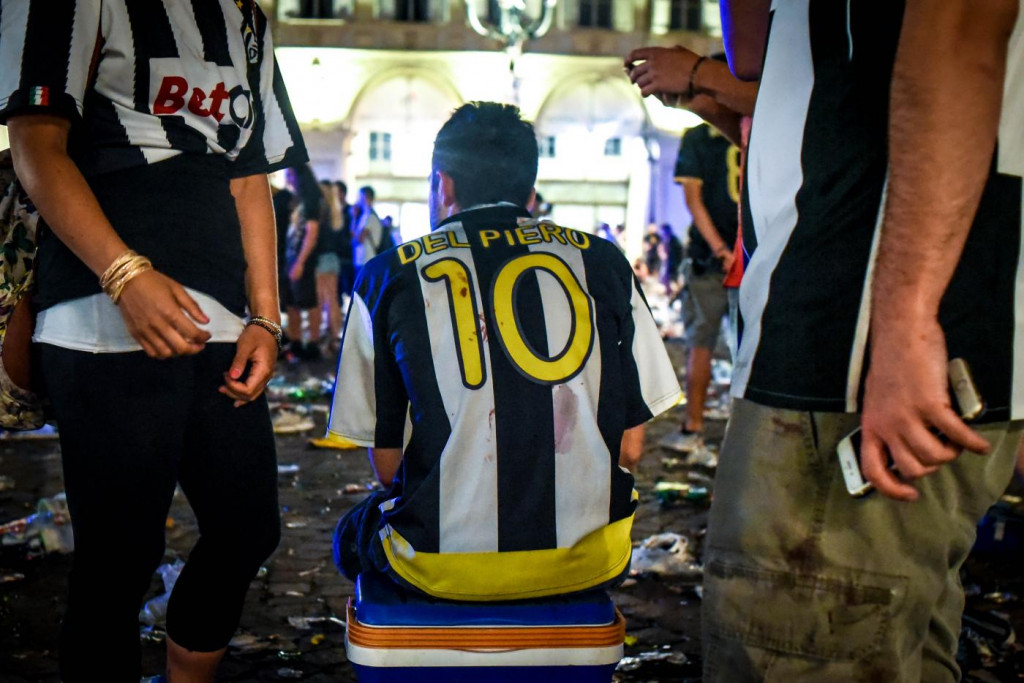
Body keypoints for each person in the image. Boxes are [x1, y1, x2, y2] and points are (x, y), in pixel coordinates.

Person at [700, 1, 1023, 681]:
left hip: (855, 338)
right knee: (902, 642)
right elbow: (753, 52)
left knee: (800, 645)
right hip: (890, 322)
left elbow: (961, 21)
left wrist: (904, 318)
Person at [0, 0, 307, 680]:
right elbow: (35, 144)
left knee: (248, 525)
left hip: (220, 313)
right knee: (119, 560)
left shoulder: (245, 16)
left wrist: (266, 316)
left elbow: (249, 175)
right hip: (101, 311)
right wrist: (124, 272)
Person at [327, 102, 682, 601]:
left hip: (437, 564)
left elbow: (387, 468)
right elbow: (630, 448)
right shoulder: (605, 263)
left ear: (443, 185)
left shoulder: (388, 276)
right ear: (530, 192)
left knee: (350, 535)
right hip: (592, 557)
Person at [658, 122, 740, 458]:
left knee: (700, 345)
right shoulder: (754, 122)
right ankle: (745, 433)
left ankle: (693, 426)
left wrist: (722, 250)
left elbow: (694, 201)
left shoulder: (698, 137)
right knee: (750, 350)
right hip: (754, 257)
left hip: (710, 260)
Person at [283, 164, 324, 361]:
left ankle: (313, 343)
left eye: (290, 174)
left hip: (302, 258)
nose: (287, 178)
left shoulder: (310, 199)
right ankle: (296, 342)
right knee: (292, 302)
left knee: (308, 301)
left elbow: (312, 232)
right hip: (291, 256)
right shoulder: (297, 199)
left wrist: (301, 261)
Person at [315, 179, 344, 350]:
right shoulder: (336, 212)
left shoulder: (320, 212)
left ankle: (317, 337)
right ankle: (335, 336)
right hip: (334, 259)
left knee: (319, 300)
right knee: (332, 300)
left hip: (321, 259)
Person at [351, 185, 382, 282]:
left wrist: (354, 218)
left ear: (365, 197)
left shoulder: (370, 217)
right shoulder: (365, 215)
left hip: (366, 259)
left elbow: (359, 238)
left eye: (359, 196)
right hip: (362, 259)